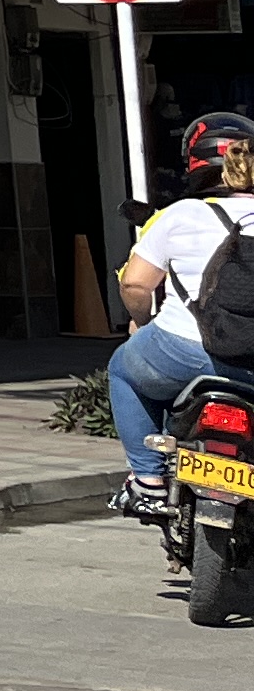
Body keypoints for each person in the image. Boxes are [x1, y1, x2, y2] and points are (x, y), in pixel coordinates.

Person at [108, 109, 254, 523]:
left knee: (123, 369)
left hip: (181, 351)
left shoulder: (177, 216)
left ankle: (149, 484)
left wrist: (142, 324)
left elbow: (135, 285)